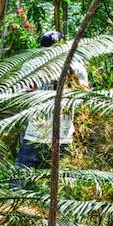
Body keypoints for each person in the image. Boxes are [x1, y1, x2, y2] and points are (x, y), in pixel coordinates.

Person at [18, 30, 90, 172]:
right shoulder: (33, 65)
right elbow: (20, 92)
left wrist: (71, 78)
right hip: (36, 132)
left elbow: (86, 94)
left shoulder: (76, 66)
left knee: (62, 179)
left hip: (63, 134)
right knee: (22, 176)